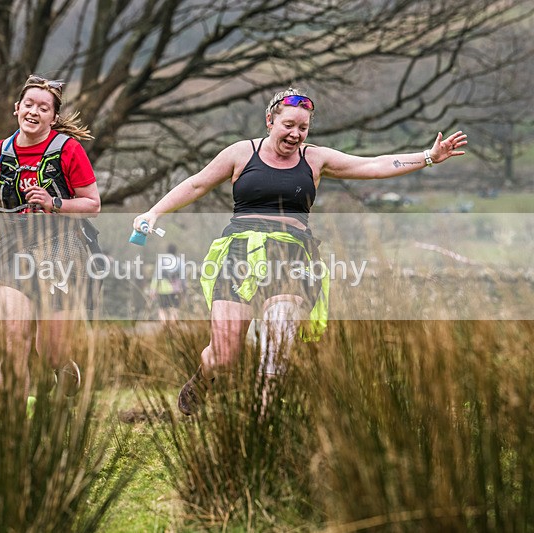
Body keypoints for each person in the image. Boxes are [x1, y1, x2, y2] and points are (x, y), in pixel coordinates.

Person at [133, 87, 467, 415]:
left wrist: (428, 157)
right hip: (240, 253)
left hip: (292, 256)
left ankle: (263, 421)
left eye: (303, 128)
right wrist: (154, 212)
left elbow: (373, 165)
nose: (295, 134)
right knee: (223, 356)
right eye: (289, 125)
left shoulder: (315, 159)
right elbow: (196, 183)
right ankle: (204, 377)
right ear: (270, 120)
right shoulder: (241, 153)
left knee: (277, 343)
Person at [0, 74, 101, 400]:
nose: (34, 112)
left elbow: (93, 205)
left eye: (43, 108)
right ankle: (13, 420)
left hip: (61, 246)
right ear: (17, 108)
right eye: (29, 104)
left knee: (51, 350)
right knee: (14, 340)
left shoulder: (69, 151)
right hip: (13, 247)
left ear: (53, 117)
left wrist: (53, 202)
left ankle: (62, 365)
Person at [150, 243, 185, 323]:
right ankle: (173, 326)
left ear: (167, 250)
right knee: (174, 309)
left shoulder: (161, 261)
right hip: (175, 289)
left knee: (162, 309)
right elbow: (183, 278)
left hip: (162, 289)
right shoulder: (180, 262)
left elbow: (156, 276)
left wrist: (153, 289)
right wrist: (183, 288)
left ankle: (164, 326)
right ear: (175, 251)